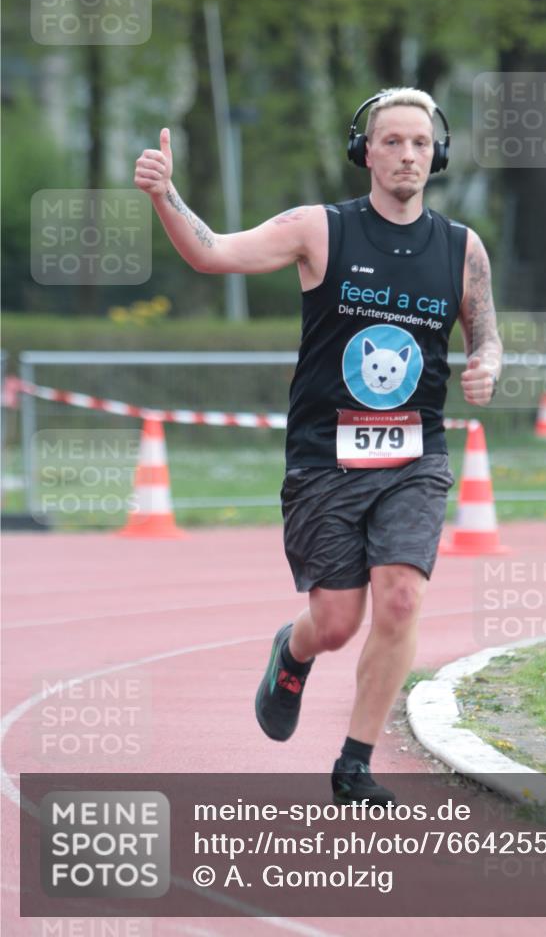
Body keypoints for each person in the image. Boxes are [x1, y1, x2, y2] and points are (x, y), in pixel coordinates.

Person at [134, 87, 502, 805]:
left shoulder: (462, 248)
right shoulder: (319, 229)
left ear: (438, 154)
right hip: (323, 457)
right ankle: (293, 650)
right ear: (364, 151)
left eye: (419, 143)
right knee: (337, 622)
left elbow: (483, 331)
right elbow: (215, 254)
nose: (406, 155)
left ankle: (354, 763)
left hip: (413, 455)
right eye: (391, 141)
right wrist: (166, 196)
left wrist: (488, 362)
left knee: (398, 601)